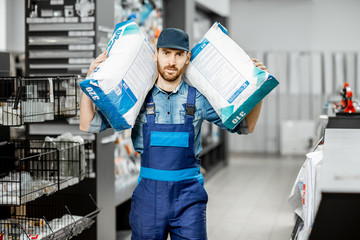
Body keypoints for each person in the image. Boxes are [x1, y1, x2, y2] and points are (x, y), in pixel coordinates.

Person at [80, 28, 268, 240]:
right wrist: (89, 82)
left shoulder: (198, 99)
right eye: (166, 53)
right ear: (156, 54)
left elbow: (245, 126)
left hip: (189, 199)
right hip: (148, 199)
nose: (172, 61)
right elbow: (88, 124)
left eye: (179, 54)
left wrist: (258, 90)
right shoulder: (137, 99)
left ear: (187, 58)